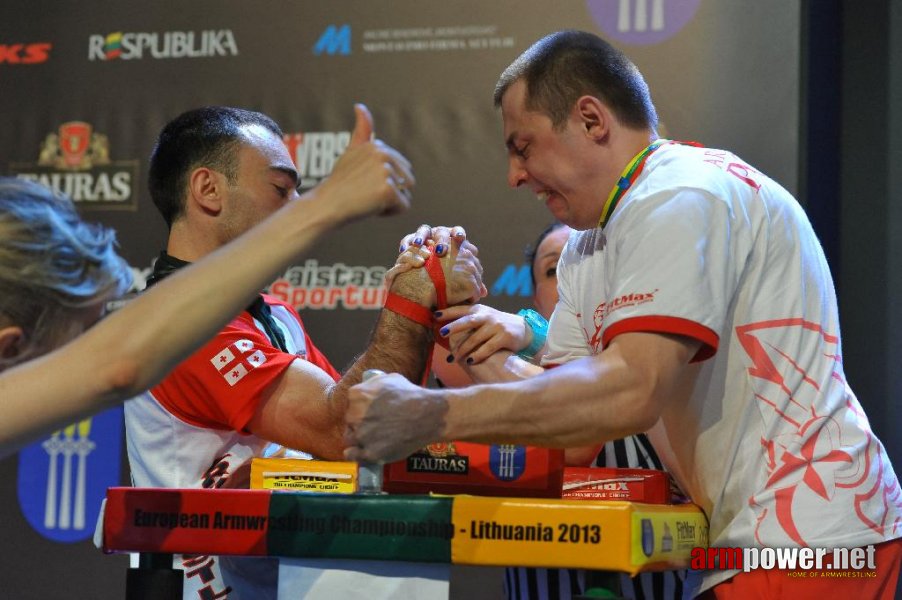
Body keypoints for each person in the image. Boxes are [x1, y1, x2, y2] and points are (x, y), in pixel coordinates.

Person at [344, 30, 902, 598]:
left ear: (591, 120)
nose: (513, 175)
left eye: (522, 146)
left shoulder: (680, 194)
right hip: (745, 545)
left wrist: (433, 415)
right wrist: (454, 314)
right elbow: (572, 427)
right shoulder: (592, 245)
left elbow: (631, 389)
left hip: (813, 539)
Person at [123, 105, 484, 599]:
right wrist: (411, 295)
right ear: (207, 190)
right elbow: (341, 431)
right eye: (280, 188)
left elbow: (363, 435)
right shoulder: (177, 321)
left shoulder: (273, 312)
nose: (296, 204)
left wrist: (430, 297)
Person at [0, 109, 412, 459]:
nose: (294, 203)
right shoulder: (188, 333)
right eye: (77, 339)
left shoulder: (273, 313)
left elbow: (363, 420)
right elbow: (117, 364)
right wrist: (328, 205)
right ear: (9, 347)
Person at [430, 221, 685, 600]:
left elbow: (594, 391)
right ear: (534, 297)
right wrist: (436, 271)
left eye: (589, 264)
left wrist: (533, 333)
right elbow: (445, 342)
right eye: (554, 269)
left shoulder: (665, 354)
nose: (573, 278)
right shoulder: (492, 350)